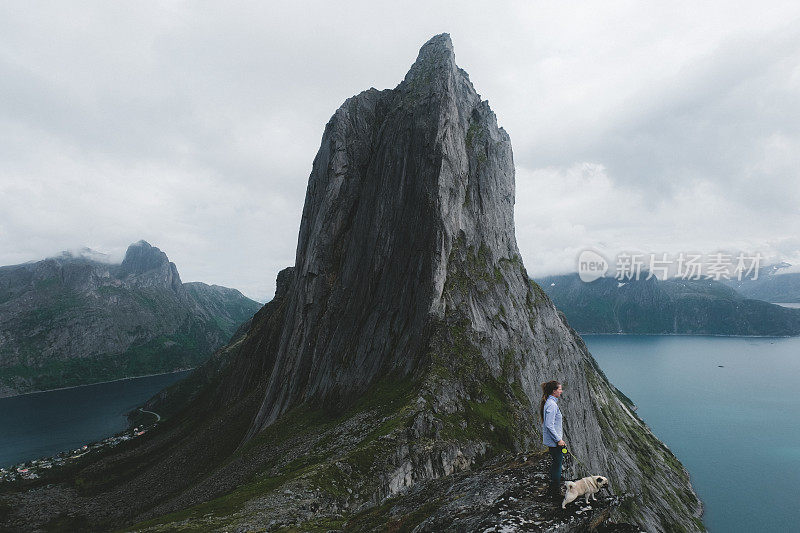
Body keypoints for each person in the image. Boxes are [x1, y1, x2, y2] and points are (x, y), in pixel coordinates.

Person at [540, 380, 565, 501]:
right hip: (555, 442)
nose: (561, 391)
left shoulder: (550, 403)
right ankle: (555, 491)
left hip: (554, 441)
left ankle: (553, 489)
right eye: (559, 389)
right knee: (557, 464)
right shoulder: (552, 405)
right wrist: (559, 440)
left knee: (556, 463)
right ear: (554, 391)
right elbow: (549, 425)